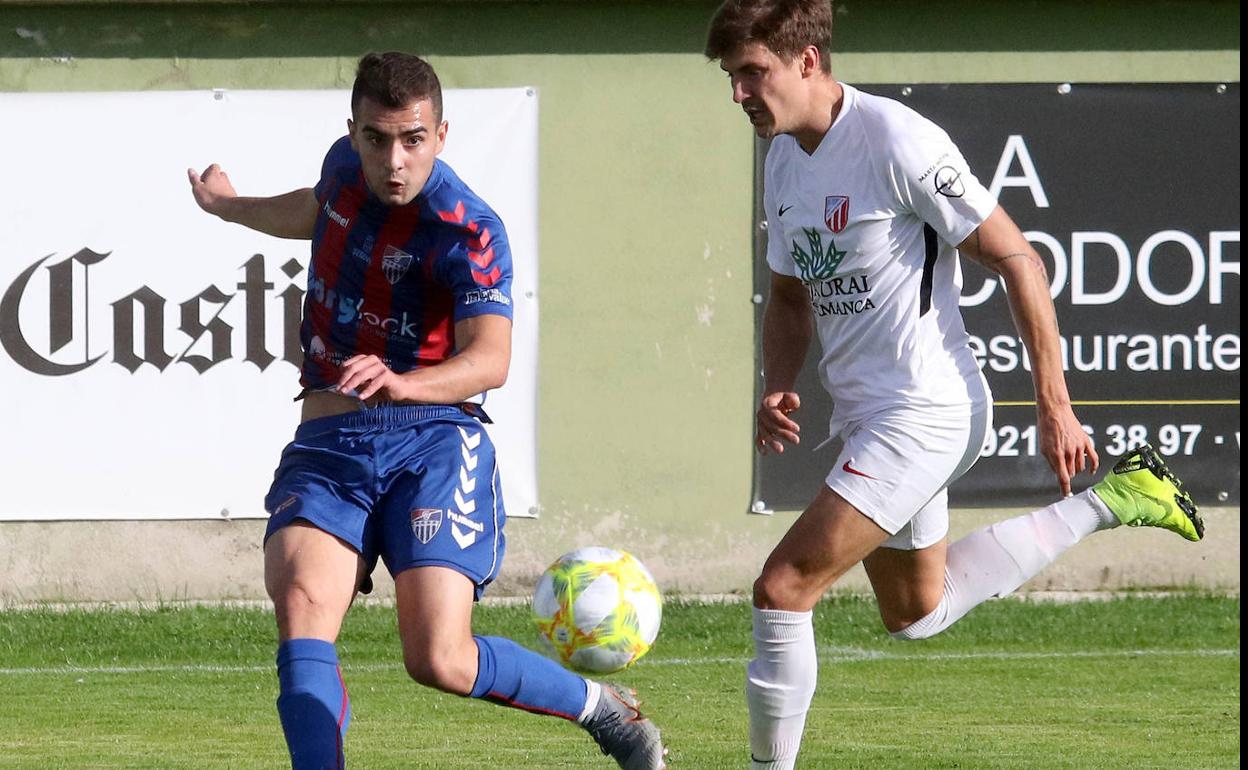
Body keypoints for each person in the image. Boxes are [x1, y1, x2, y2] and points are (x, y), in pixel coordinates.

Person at [703, 3, 1205, 768]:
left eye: (751, 72)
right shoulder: (780, 158)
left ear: (806, 61)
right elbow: (793, 298)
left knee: (782, 590)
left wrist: (1056, 404)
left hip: (926, 413)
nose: (738, 93)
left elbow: (1018, 259)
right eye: (731, 76)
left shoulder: (896, 140)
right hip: (869, 415)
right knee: (917, 613)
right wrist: (778, 381)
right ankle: (1119, 498)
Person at [187, 51, 666, 770]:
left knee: (438, 658)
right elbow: (315, 211)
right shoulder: (343, 171)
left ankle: (609, 714)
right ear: (352, 133)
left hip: (433, 440)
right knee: (302, 614)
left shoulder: (468, 230)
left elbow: (490, 361)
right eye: (377, 139)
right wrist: (230, 207)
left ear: (442, 134)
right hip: (329, 441)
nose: (394, 160)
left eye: (412, 139)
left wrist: (404, 383)